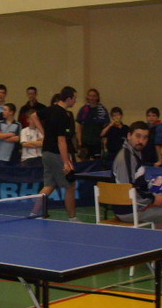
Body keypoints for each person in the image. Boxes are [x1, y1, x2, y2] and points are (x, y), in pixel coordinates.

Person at [112, 121, 162, 267]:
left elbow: (136, 186)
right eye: (138, 136)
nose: (141, 140)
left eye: (145, 137)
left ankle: (158, 254)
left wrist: (153, 195)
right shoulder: (126, 157)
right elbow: (128, 190)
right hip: (129, 210)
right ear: (129, 135)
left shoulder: (134, 153)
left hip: (134, 205)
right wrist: (153, 199)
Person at [30, 86, 80, 221]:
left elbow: (34, 116)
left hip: (46, 153)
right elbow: (61, 141)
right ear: (68, 99)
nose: (75, 101)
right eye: (74, 98)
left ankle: (34, 214)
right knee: (70, 186)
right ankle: (73, 218)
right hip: (56, 154)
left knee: (49, 186)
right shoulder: (63, 115)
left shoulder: (50, 109)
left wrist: (45, 134)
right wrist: (66, 162)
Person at [75, 88, 109, 160]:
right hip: (85, 142)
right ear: (87, 97)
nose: (92, 98)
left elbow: (106, 127)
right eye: (90, 96)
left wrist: (104, 144)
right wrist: (80, 142)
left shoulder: (102, 110)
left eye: (94, 96)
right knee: (85, 163)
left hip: (97, 142)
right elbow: (79, 127)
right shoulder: (83, 110)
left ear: (97, 97)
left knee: (97, 163)